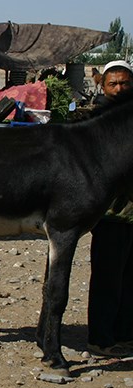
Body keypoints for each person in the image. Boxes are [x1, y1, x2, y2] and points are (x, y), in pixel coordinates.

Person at [86, 60, 133, 358]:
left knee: (130, 276)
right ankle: (100, 338)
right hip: (112, 212)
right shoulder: (96, 121)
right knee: (107, 275)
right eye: (113, 84)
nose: (119, 88)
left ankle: (125, 333)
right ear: (102, 86)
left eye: (124, 83)